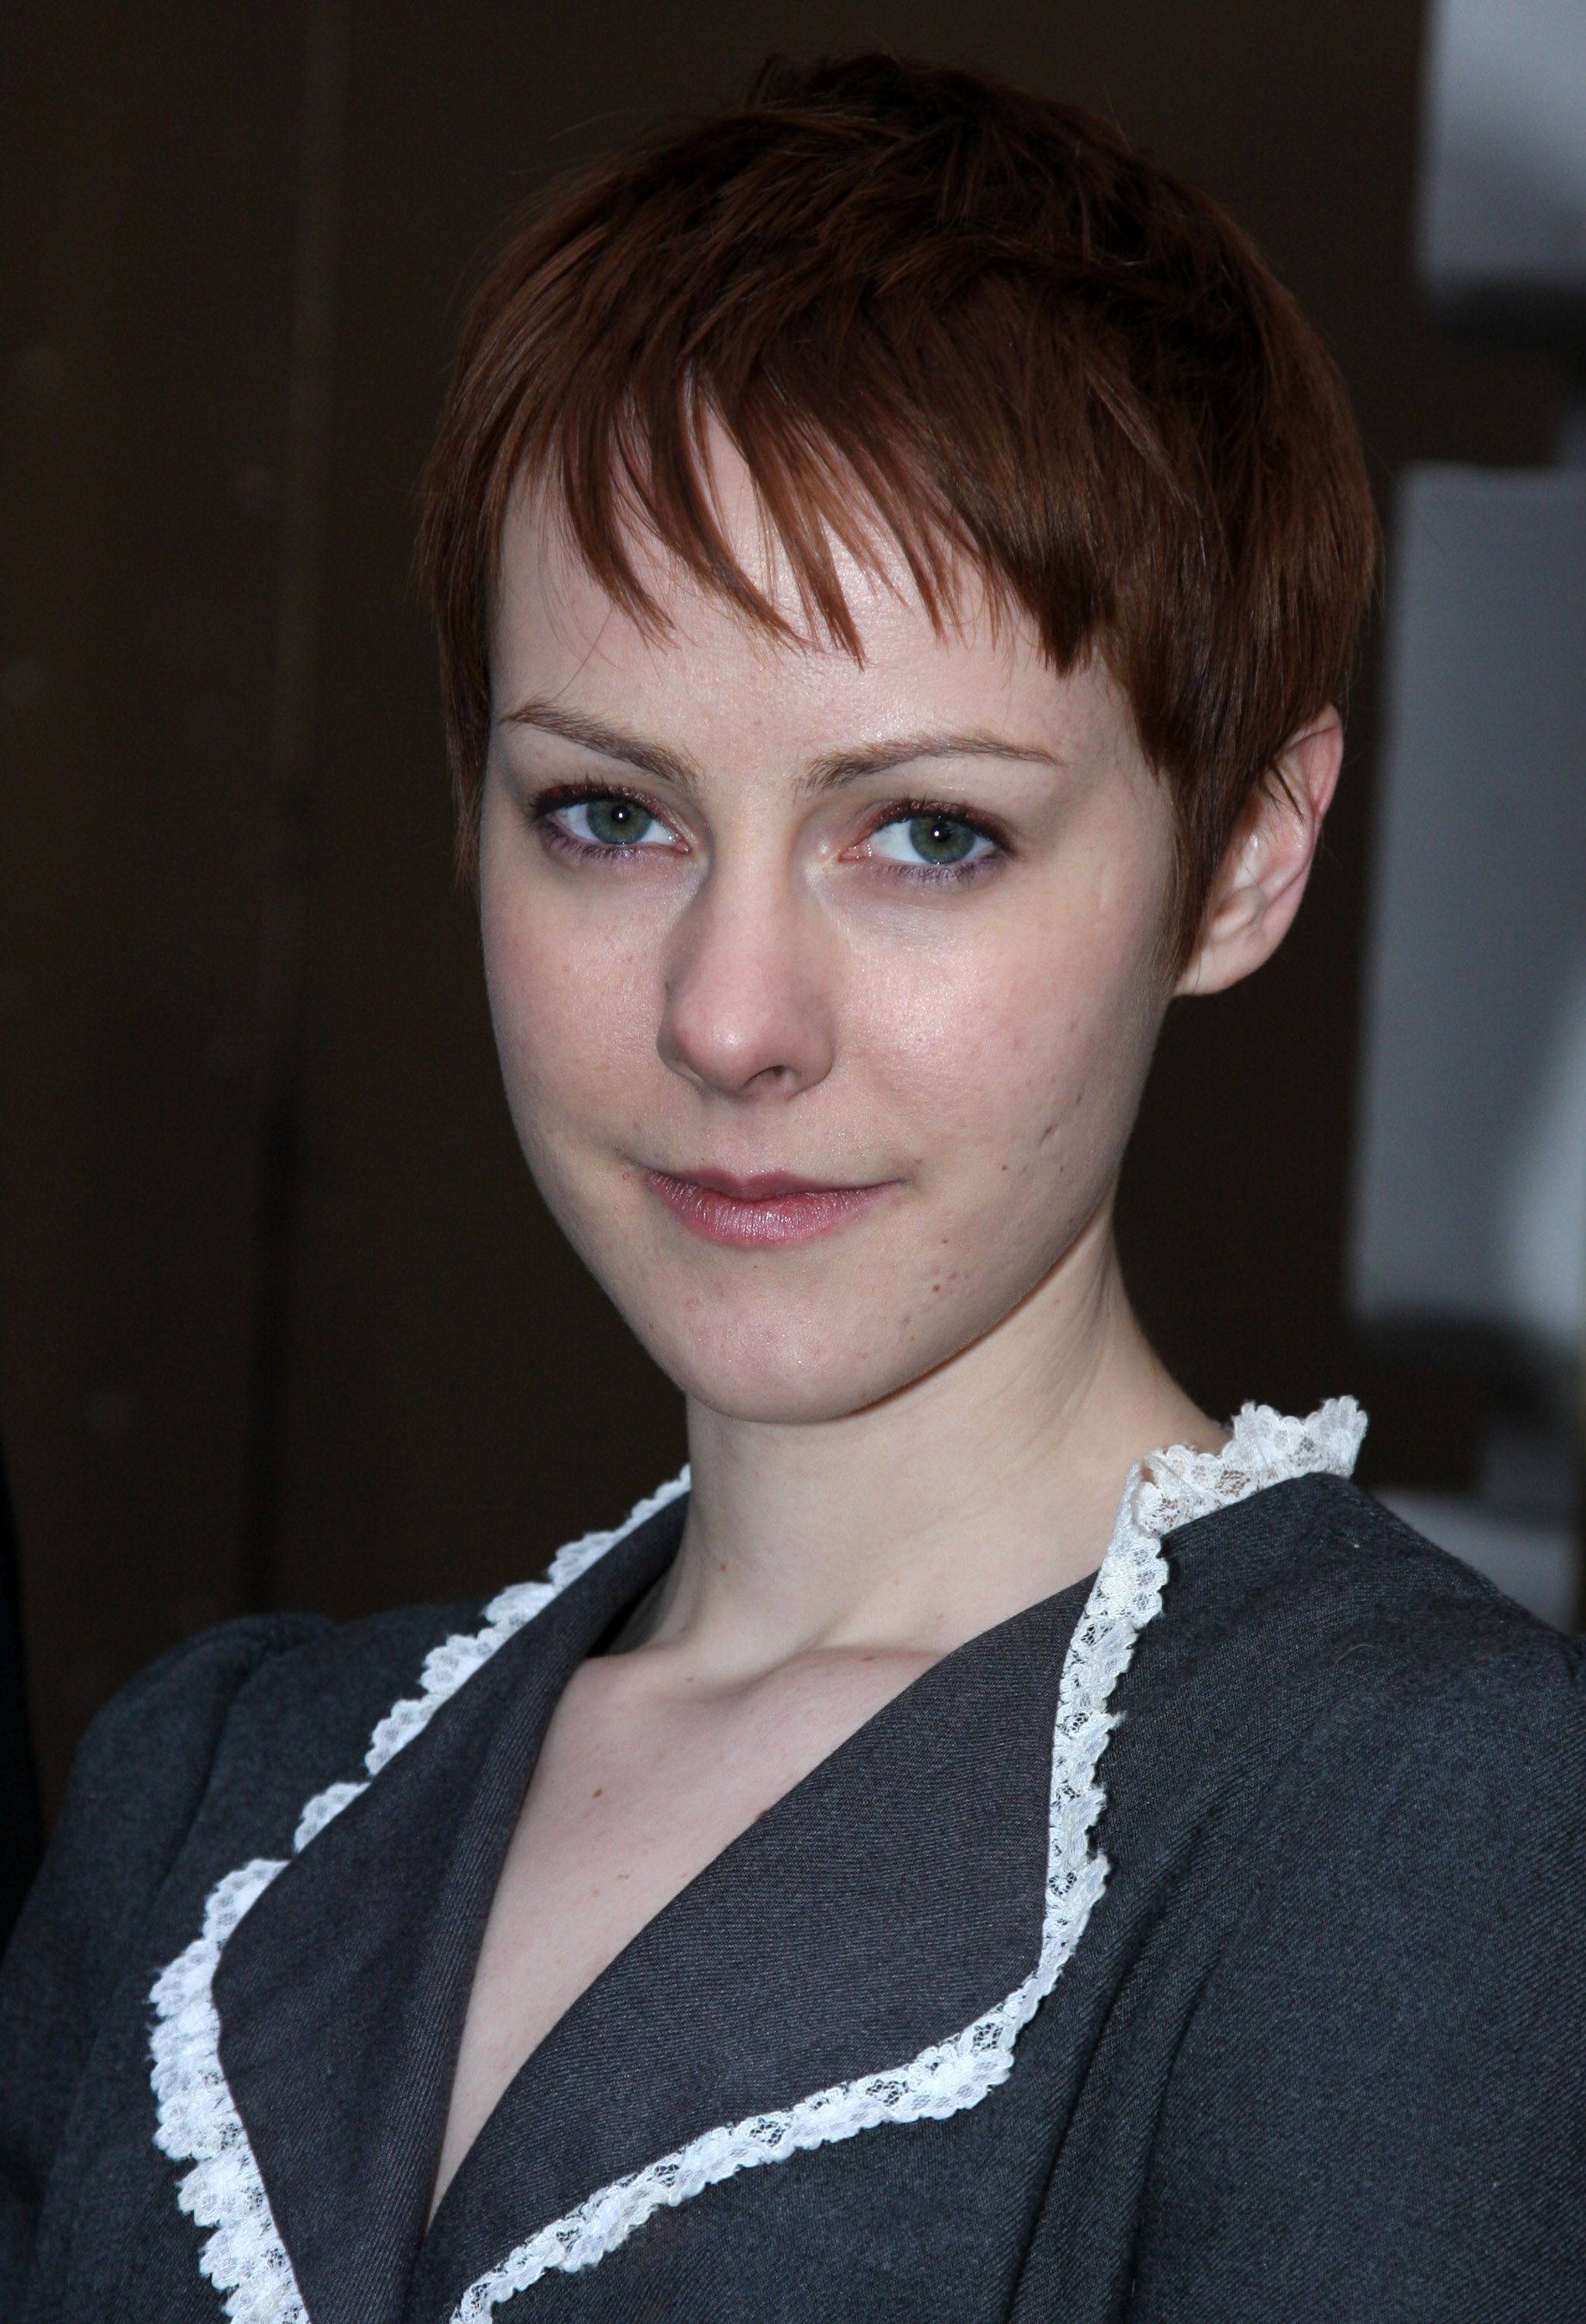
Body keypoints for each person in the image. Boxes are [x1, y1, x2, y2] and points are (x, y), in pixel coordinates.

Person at [2, 52, 1581, 2324]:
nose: (730, 1017)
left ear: (1243, 853)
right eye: (608, 814)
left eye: (929, 832)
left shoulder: (1407, 1823)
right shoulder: (214, 1795)